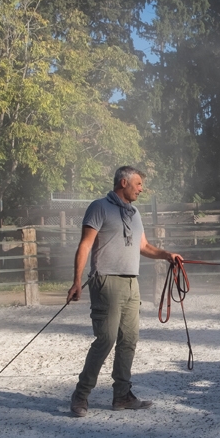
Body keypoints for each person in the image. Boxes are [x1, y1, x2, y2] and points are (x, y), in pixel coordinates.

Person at [68, 166, 182, 417]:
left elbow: (143, 246)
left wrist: (166, 255)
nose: (141, 189)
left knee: (129, 340)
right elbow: (85, 245)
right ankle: (81, 394)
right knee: (106, 339)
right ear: (123, 182)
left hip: (132, 282)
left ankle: (122, 395)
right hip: (106, 281)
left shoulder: (134, 213)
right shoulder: (98, 207)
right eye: (138, 184)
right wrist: (77, 281)